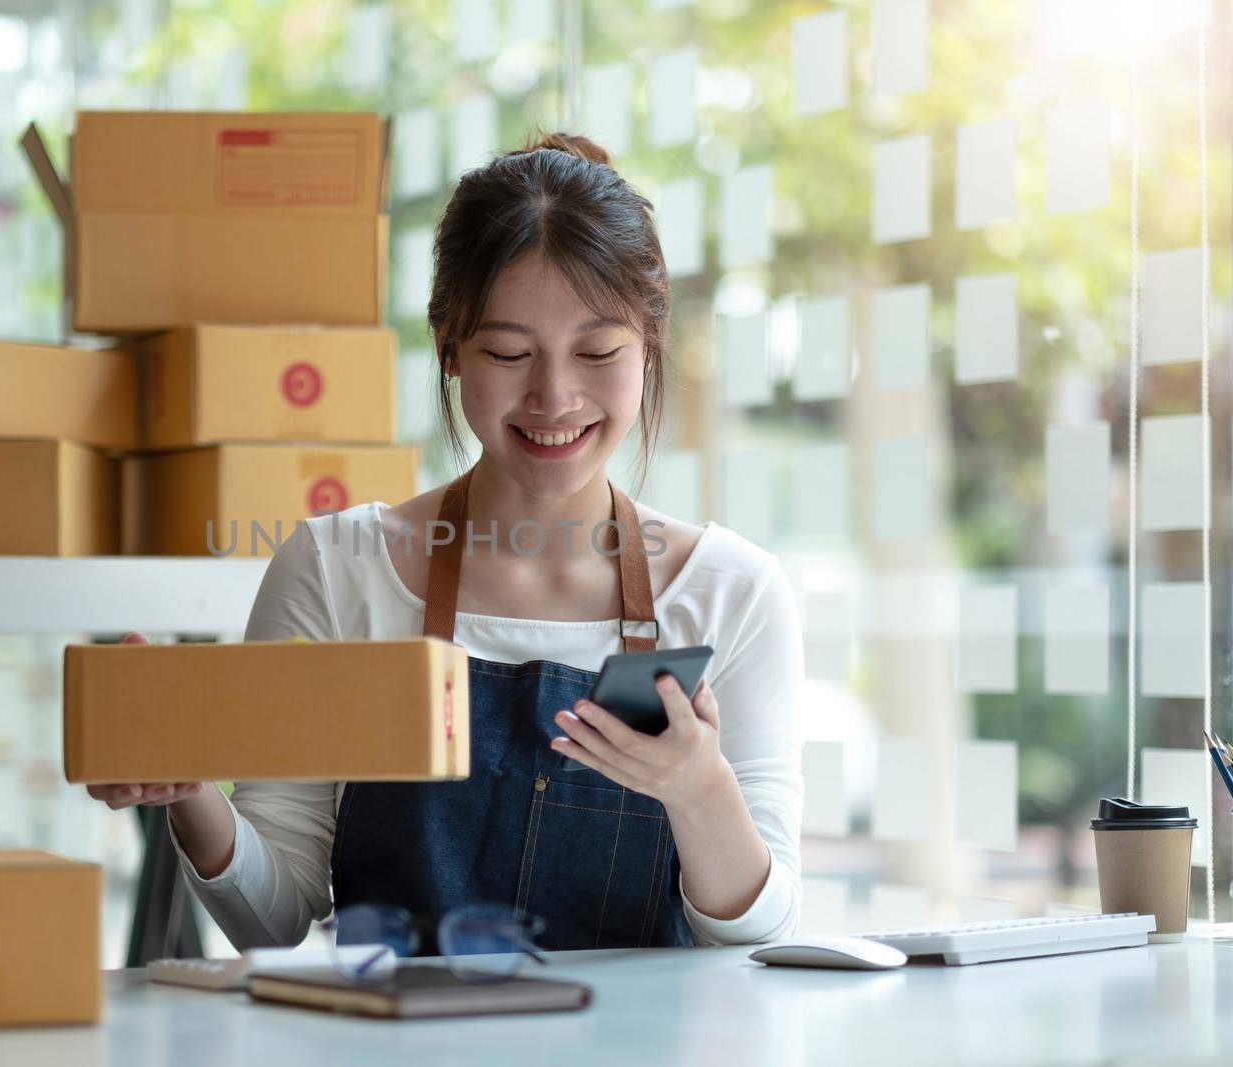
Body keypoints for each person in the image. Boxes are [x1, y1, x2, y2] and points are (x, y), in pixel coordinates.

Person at [92, 132, 804, 951]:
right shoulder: (336, 570)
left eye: (598, 351)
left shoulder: (732, 592)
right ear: (450, 348)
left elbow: (765, 932)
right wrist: (189, 791)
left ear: (649, 349)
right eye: (508, 351)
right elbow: (275, 913)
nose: (554, 396)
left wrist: (698, 787)